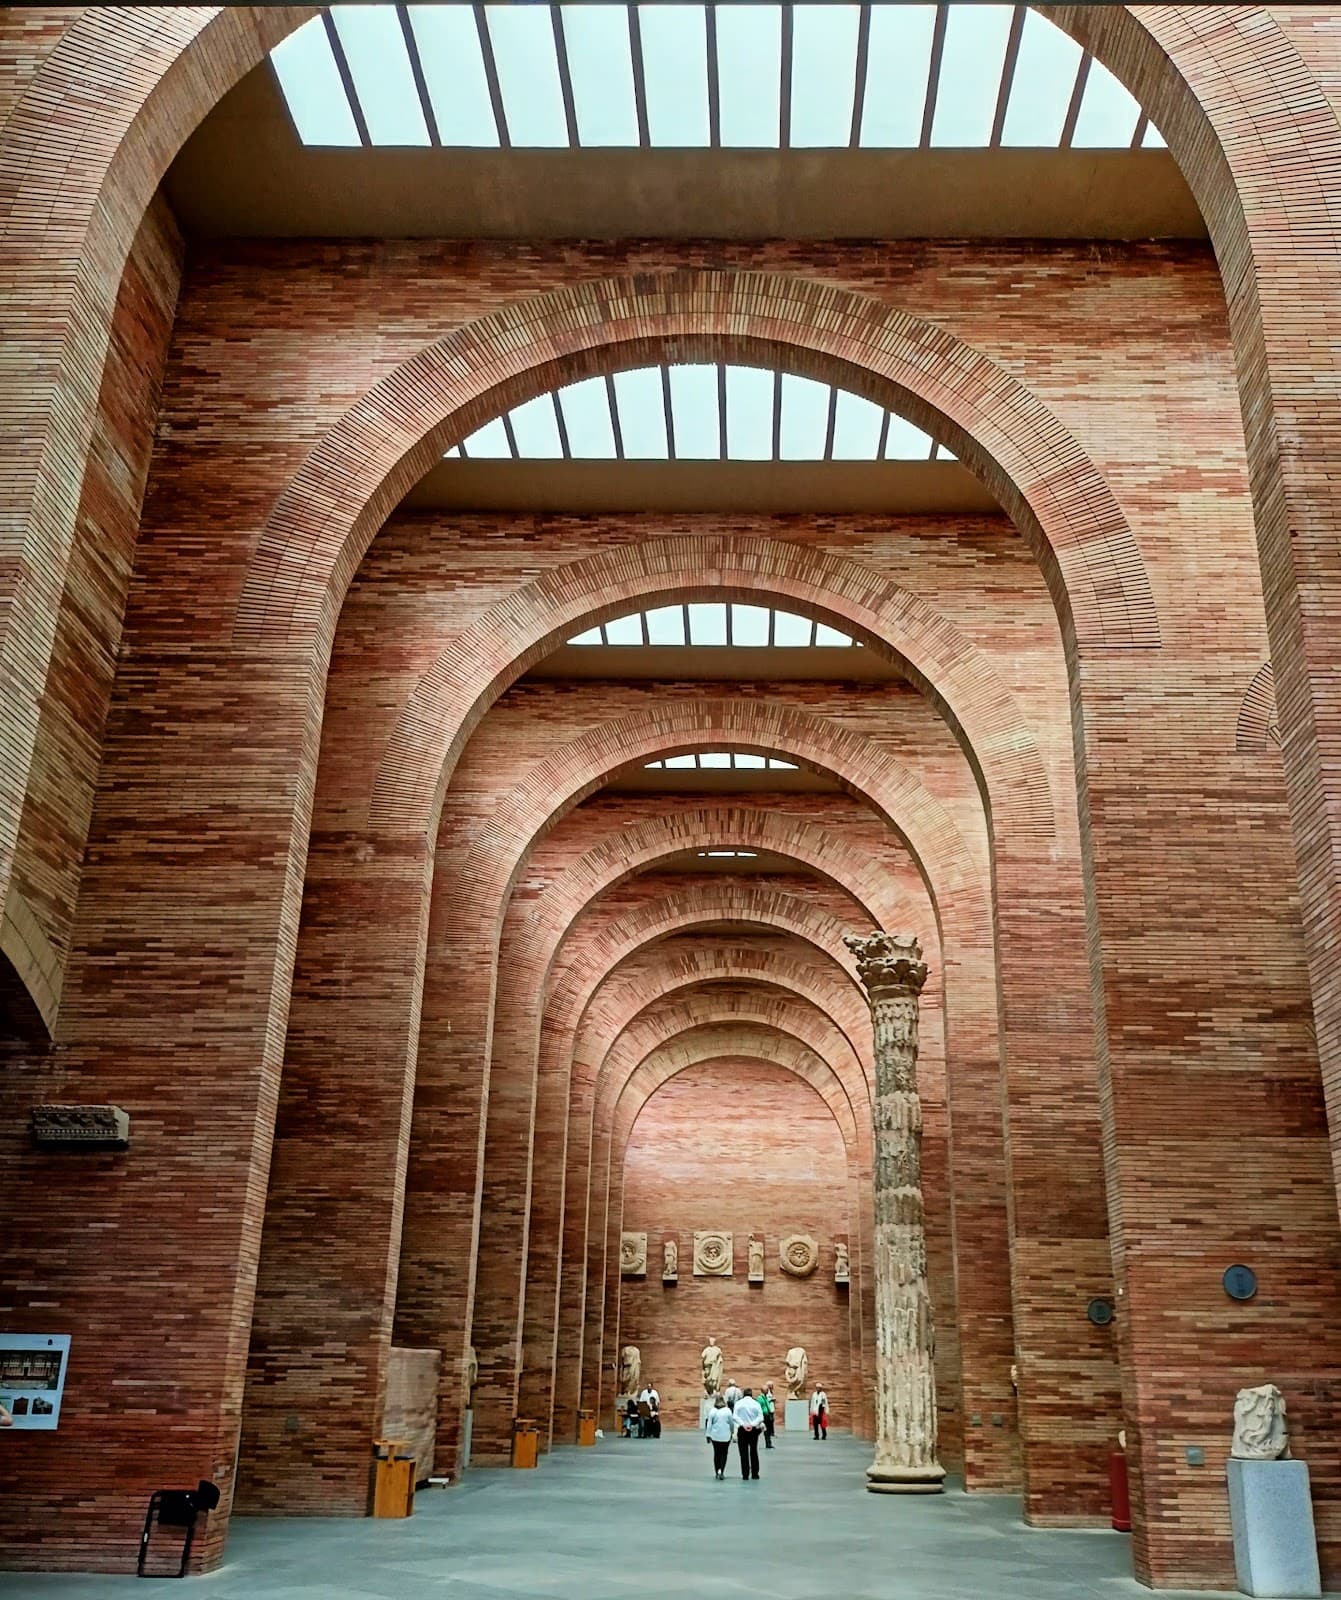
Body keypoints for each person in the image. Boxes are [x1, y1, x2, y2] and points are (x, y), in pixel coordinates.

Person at [734, 1387, 765, 1479]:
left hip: (742, 1430)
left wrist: (743, 1424)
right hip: (753, 1430)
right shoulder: (756, 1404)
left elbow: (735, 1416)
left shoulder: (738, 1403)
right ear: (751, 1394)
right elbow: (760, 1417)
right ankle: (755, 1473)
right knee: (753, 1451)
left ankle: (745, 1474)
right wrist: (752, 1424)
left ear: (743, 1394)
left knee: (743, 1452)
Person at [704, 1392, 734, 1480]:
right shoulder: (728, 1411)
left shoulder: (712, 1411)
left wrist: (707, 1435)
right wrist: (732, 1432)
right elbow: (731, 1423)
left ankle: (717, 1471)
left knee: (716, 1454)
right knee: (724, 1454)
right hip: (726, 1436)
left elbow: (709, 1425)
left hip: (715, 1436)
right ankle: (722, 1471)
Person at [759, 1382, 776, 1448]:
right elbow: (759, 1407)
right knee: (763, 1429)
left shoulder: (765, 1397)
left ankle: (768, 1443)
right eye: (766, 1390)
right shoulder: (760, 1398)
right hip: (764, 1415)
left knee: (768, 1430)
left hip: (767, 1415)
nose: (767, 1391)